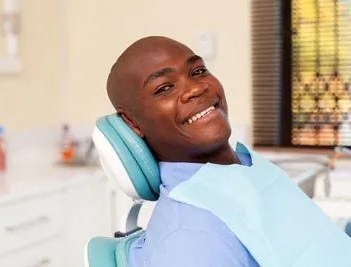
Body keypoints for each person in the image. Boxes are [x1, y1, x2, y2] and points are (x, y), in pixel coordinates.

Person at [107, 36, 259, 266]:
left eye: (198, 71)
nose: (196, 88)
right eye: (164, 88)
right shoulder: (193, 242)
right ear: (133, 123)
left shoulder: (247, 168)